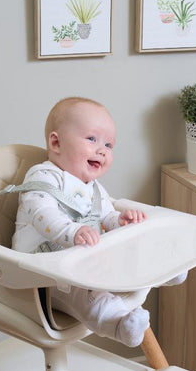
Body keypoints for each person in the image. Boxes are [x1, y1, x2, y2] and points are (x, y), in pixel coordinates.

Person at [12, 97, 186, 347]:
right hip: (46, 277)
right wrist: (71, 231)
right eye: (92, 139)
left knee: (128, 245)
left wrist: (119, 220)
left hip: (86, 263)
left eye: (109, 144)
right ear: (56, 142)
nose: (102, 149)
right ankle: (118, 323)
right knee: (88, 296)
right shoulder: (44, 176)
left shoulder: (93, 188)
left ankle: (162, 267)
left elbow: (104, 217)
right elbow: (41, 214)